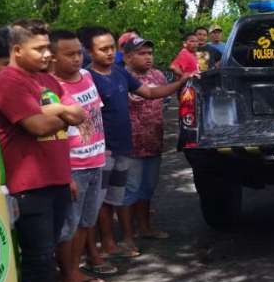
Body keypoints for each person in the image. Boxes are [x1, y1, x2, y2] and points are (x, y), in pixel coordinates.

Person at [0, 19, 86, 282]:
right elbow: (38, 125)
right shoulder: (6, 82)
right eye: (39, 49)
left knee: (44, 258)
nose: (47, 54)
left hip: (56, 180)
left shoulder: (44, 80)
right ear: (16, 50)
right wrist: (60, 112)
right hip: (29, 187)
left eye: (47, 47)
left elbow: (81, 112)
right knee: (36, 260)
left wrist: (56, 110)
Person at [83, 27, 194, 257]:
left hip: (134, 144)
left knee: (127, 192)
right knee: (110, 198)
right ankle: (113, 241)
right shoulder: (87, 77)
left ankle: (134, 233)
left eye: (111, 48)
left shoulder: (120, 74)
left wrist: (183, 81)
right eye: (103, 49)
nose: (109, 53)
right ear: (90, 51)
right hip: (104, 148)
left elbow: (152, 93)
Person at [50, 30, 117, 282]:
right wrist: (64, 174)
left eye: (79, 52)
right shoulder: (51, 88)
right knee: (70, 225)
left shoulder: (88, 76)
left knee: (86, 222)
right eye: (69, 54)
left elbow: (95, 116)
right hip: (73, 166)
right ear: (53, 57)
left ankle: (75, 269)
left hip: (95, 159)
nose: (77, 59)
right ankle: (68, 276)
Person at [122, 36, 170, 239]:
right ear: (128, 57)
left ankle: (145, 228)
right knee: (129, 191)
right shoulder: (121, 76)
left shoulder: (159, 76)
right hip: (130, 145)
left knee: (147, 189)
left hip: (153, 142)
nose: (148, 57)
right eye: (142, 53)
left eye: (149, 53)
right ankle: (127, 236)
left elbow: (165, 104)